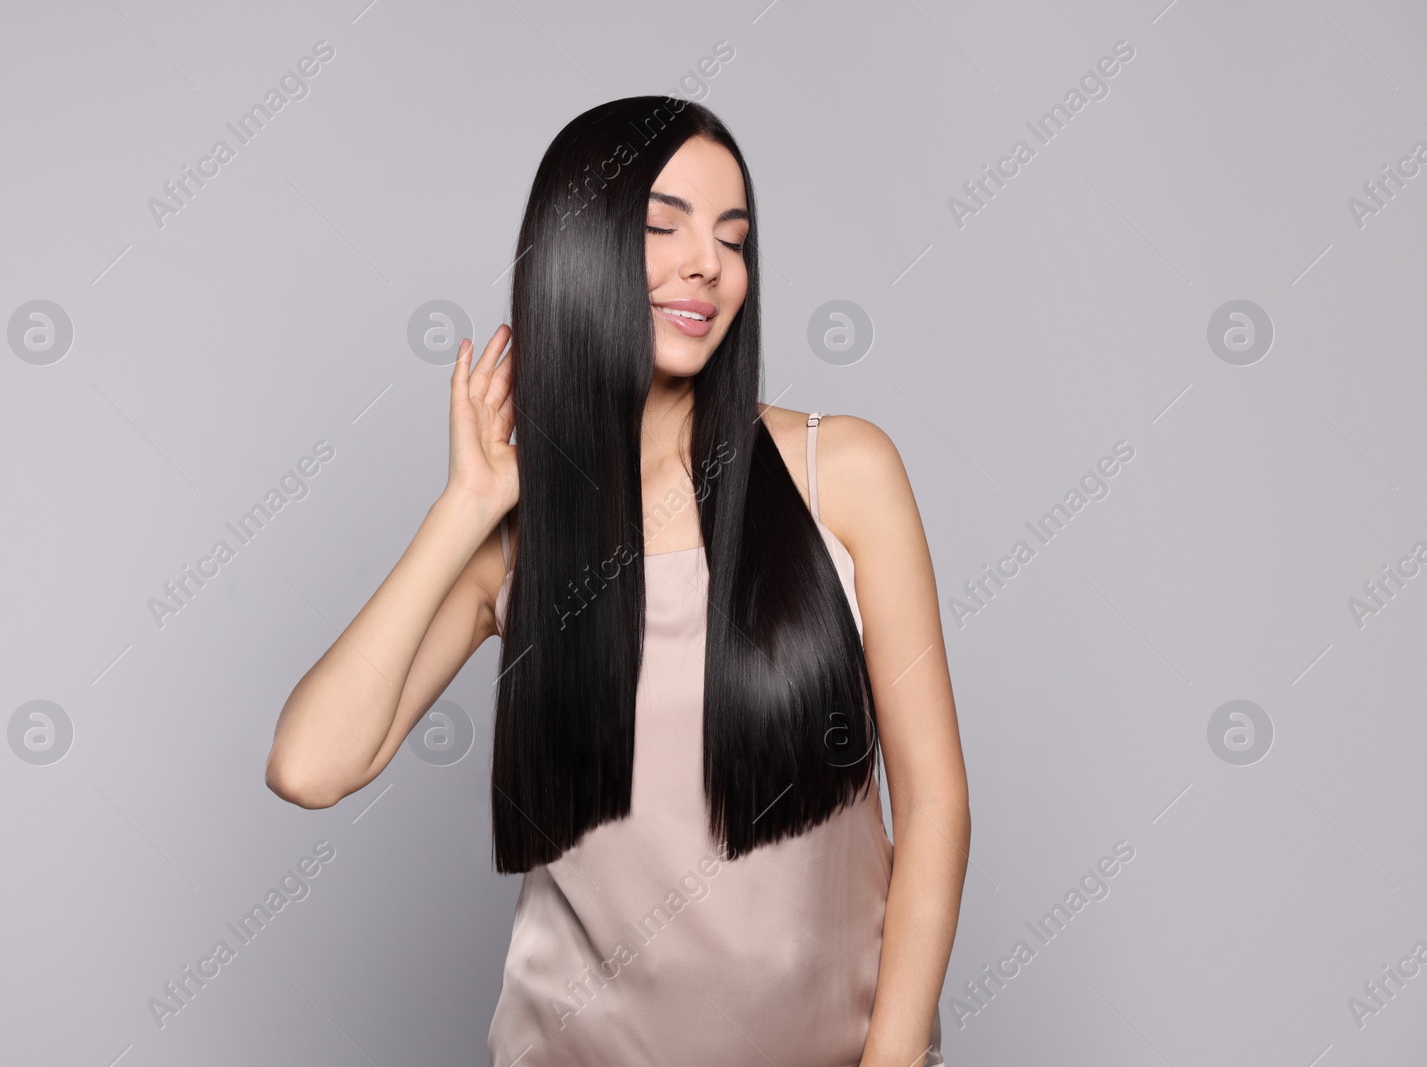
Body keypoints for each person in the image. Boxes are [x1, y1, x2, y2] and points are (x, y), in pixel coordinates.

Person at [266, 95, 968, 1066]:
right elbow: (309, 764)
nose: (707, 265)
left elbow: (933, 801)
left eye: (733, 237)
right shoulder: (517, 540)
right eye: (662, 226)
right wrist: (464, 505)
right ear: (580, 246)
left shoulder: (836, 470)